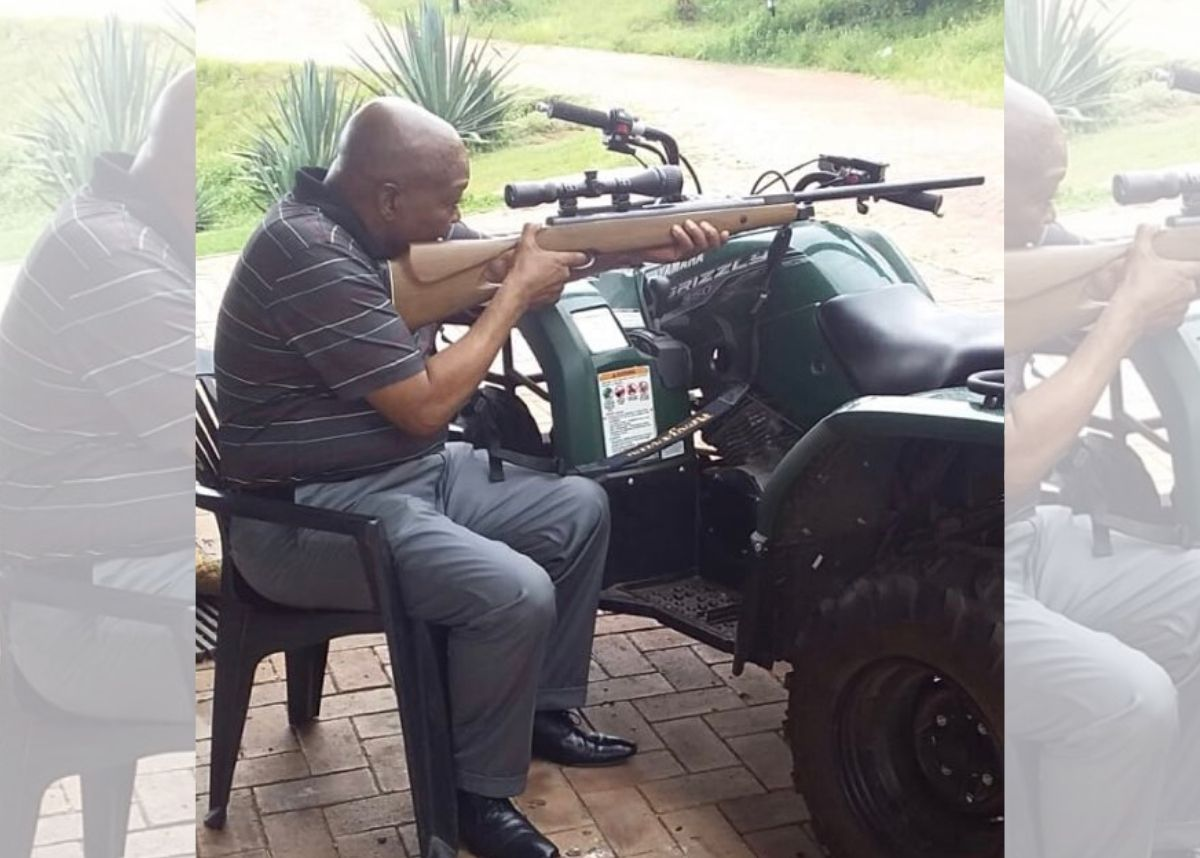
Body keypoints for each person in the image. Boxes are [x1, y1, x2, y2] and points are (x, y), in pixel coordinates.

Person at [214, 97, 726, 858]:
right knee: (511, 592)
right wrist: (513, 299)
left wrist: (634, 251)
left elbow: (512, 258)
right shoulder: (307, 253)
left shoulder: (383, 230)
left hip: (403, 477)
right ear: (390, 197)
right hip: (305, 519)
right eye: (449, 200)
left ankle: (540, 712)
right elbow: (424, 407)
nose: (457, 215)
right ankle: (471, 796)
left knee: (578, 509)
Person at [1005, 78, 1200, 858]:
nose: (1052, 213)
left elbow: (1055, 290)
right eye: (1043, 193)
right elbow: (1015, 454)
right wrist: (1124, 315)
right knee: (1131, 703)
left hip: (1026, 539)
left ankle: (1170, 837)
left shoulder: (1024, 260)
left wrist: (1112, 281)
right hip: (961, 557)